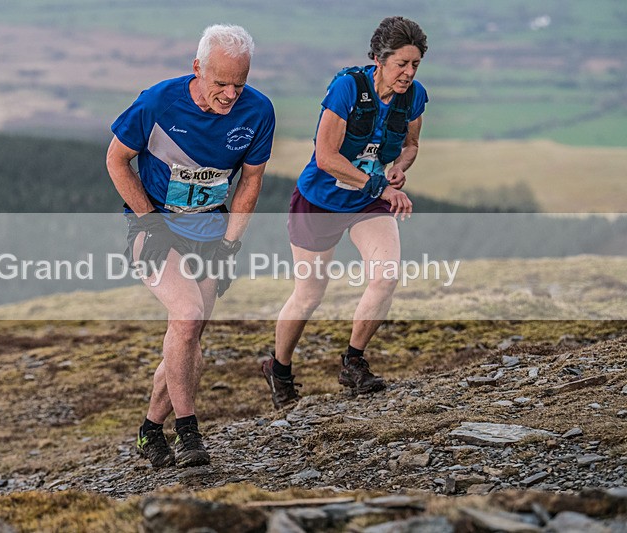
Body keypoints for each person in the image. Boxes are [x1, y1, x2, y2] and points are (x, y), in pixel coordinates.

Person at [107, 24, 275, 467]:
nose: (229, 95)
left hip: (210, 234)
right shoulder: (159, 102)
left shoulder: (258, 112)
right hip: (155, 230)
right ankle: (189, 433)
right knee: (186, 317)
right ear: (197, 67)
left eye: (239, 84)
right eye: (220, 83)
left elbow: (250, 181)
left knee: (189, 339)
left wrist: (231, 245)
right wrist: (149, 220)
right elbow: (116, 159)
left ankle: (148, 430)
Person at [262, 16, 428, 409]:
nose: (408, 73)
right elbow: (325, 157)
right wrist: (380, 185)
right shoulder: (347, 89)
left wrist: (400, 167)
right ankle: (279, 369)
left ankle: (353, 363)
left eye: (415, 65)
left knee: (386, 276)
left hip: (368, 201)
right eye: (401, 64)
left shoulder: (414, 96)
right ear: (378, 59)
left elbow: (411, 144)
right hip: (320, 200)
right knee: (309, 295)